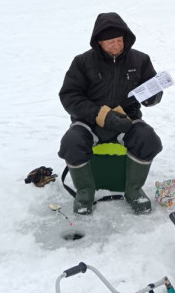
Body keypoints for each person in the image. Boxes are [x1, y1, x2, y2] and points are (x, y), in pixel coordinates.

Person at [58, 12, 163, 215]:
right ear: (98, 43)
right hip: (89, 123)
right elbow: (69, 96)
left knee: (148, 139)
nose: (116, 45)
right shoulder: (82, 62)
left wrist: (153, 97)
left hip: (127, 121)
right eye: (110, 42)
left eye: (119, 40)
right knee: (71, 142)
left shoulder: (140, 60)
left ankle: (133, 190)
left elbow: (152, 91)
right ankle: (85, 192)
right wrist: (101, 115)